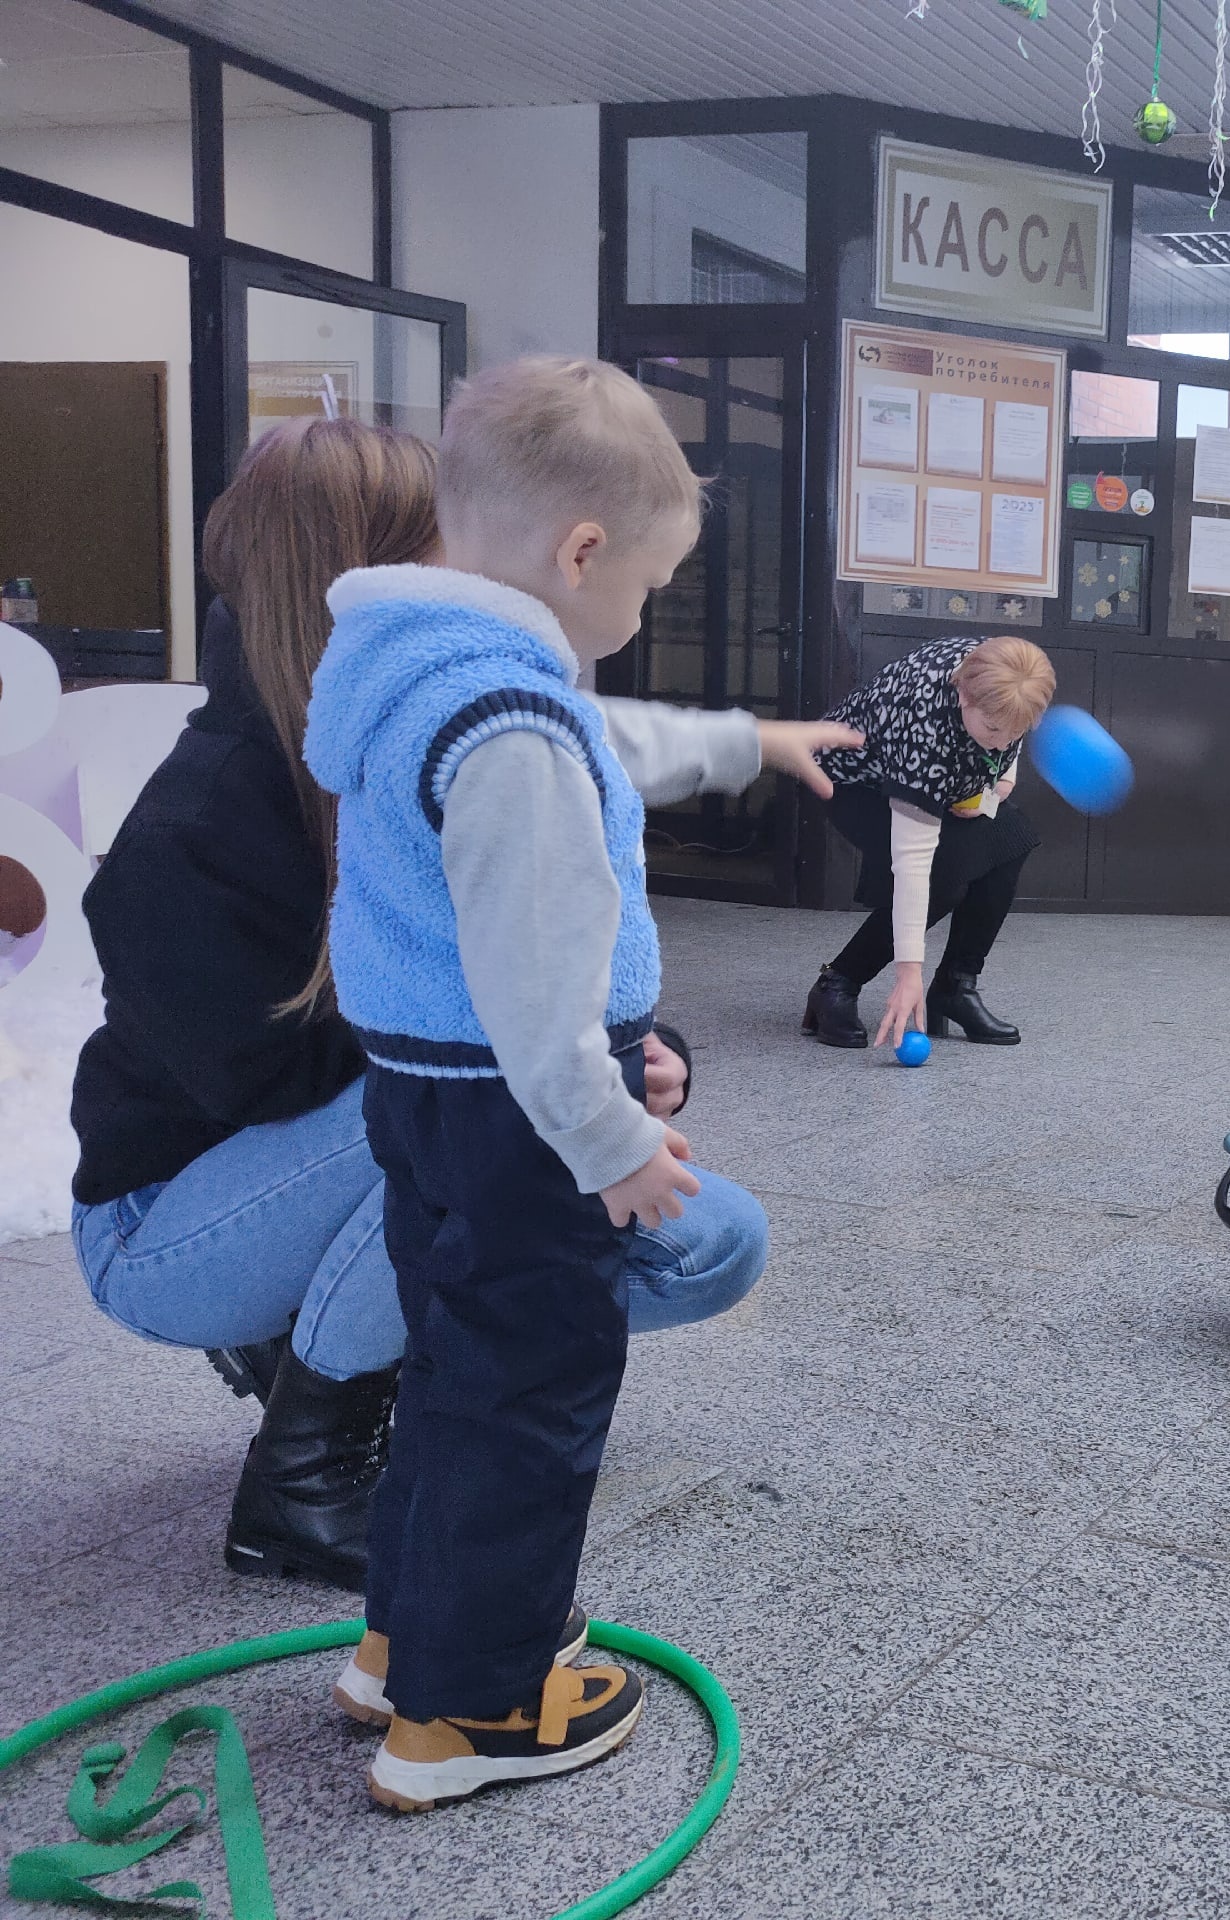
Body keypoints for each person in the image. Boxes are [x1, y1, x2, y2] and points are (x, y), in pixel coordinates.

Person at [68, 417, 772, 1597]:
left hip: (357, 1152)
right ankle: (302, 1481)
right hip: (169, 1223)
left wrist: (635, 1057)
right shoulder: (194, 828)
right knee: (465, 1102)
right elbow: (280, 1082)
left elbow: (546, 958)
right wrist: (546, 1072)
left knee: (710, 1242)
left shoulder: (437, 742)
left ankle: (357, 1359)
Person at [299, 357, 855, 1809]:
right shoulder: (514, 727)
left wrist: (750, 743)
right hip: (519, 1108)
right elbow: (539, 989)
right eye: (655, 586)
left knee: (452, 1372)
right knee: (533, 1394)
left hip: (424, 1095)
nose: (648, 612)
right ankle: (470, 1716)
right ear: (581, 554)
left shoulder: (425, 667)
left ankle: (398, 1648)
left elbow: (616, 744)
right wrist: (607, 1138)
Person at [801, 634, 1054, 1053]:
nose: (1003, 741)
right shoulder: (923, 721)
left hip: (945, 774)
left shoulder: (1011, 674)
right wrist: (908, 974)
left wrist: (1000, 785)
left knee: (1011, 839)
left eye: (1017, 731)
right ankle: (837, 982)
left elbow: (1008, 730)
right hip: (851, 782)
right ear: (963, 696)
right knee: (943, 873)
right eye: (993, 729)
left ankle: (955, 986)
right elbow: (913, 862)